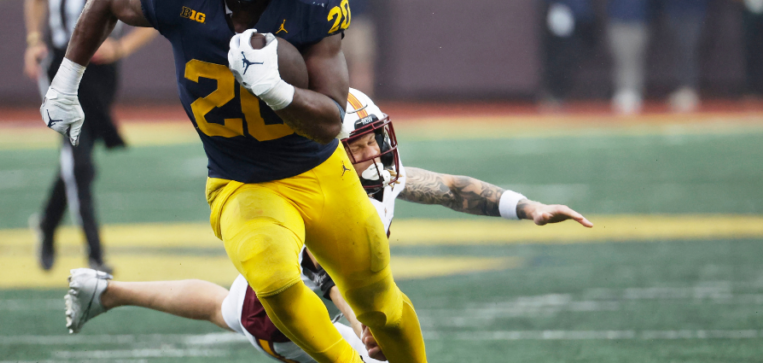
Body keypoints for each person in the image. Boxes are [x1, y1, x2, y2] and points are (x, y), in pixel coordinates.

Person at [41, 0, 427, 363]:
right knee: (275, 282)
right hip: (240, 182)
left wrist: (277, 91)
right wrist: (66, 81)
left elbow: (330, 119)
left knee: (380, 304)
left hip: (321, 172)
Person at [63, 89, 593, 363]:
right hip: (288, 310)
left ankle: (106, 292)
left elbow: (452, 189)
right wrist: (364, 323)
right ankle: (106, 293)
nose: (370, 152)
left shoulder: (374, 176)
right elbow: (337, 276)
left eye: (372, 139)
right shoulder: (321, 192)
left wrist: (527, 207)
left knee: (221, 307)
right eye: (357, 145)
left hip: (276, 287)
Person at [25, 0, 156, 274]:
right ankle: (95, 256)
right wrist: (34, 38)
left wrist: (123, 47)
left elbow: (157, 12)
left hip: (101, 74)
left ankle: (47, 224)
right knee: (79, 162)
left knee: (78, 161)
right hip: (61, 67)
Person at [656, 0, 719, 112]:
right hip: (675, 13)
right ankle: (681, 87)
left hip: (695, 14)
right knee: (678, 51)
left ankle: (689, 88)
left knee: (689, 50)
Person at [538, 0, 595, 108]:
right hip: (559, 29)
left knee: (572, 60)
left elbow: (586, 2)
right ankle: (554, 93)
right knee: (558, 61)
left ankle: (563, 92)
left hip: (579, 26)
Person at [606, 0, 652, 114]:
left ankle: (634, 92)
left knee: (634, 60)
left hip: (637, 23)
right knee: (621, 59)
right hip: (618, 22)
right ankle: (622, 91)